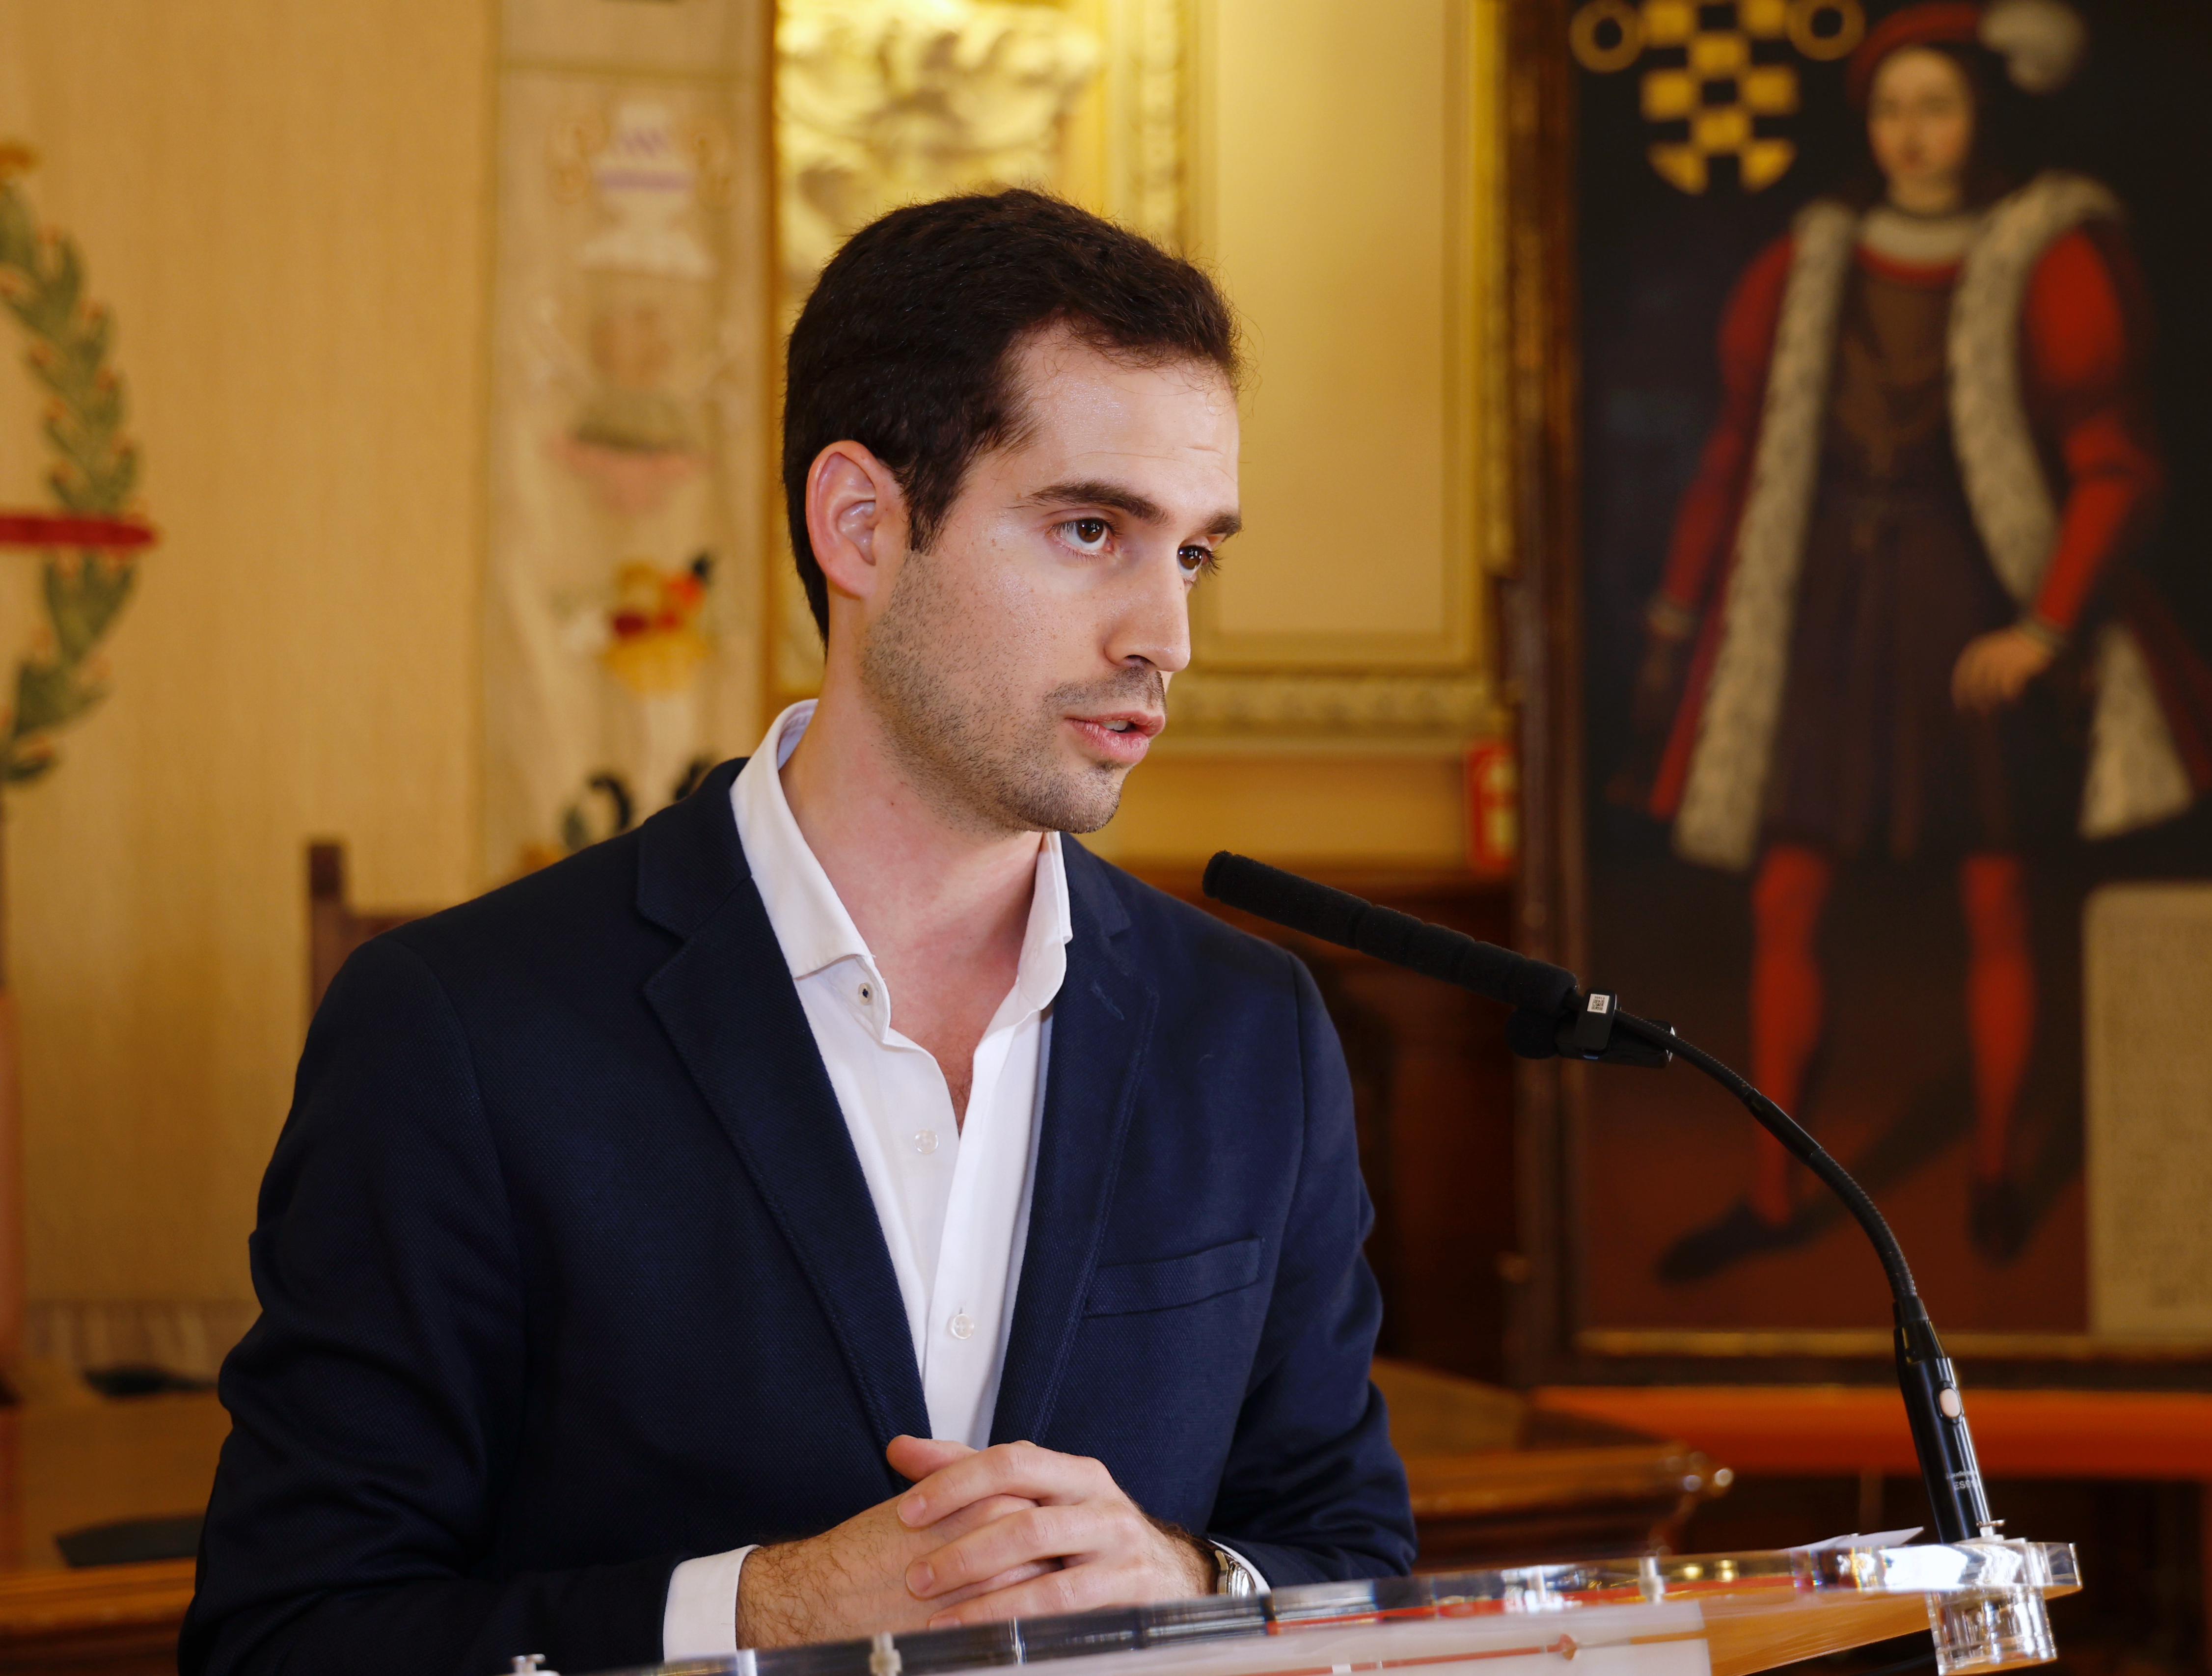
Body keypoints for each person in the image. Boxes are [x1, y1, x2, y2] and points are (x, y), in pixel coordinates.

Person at [180, 189, 1415, 1676]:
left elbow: (1354, 1560)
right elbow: (285, 1638)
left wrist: (1183, 1579)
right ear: (862, 526)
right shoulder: (456, 1029)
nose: (1167, 635)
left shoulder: (1256, 1028)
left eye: (1195, 553)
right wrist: (760, 1617)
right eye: (1092, 530)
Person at [1627, 1, 2212, 1278]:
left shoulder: (2051, 253)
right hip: (1823, 616)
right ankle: (1772, 1192)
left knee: (1997, 899)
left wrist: (2045, 625)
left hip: (1973, 610)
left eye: (1939, 107)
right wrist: (1681, 607)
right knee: (1787, 896)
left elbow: (2115, 467)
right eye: (1892, 109)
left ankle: (1997, 1174)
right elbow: (1738, 454)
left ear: (1983, 114)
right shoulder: (1809, 262)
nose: (1912, 134)